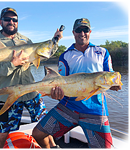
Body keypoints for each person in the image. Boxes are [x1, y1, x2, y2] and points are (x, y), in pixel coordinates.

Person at [32, 18, 122, 148]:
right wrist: (55, 93)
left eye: (85, 30)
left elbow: (110, 76)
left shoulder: (102, 52)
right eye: (79, 30)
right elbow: (61, 83)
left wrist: (115, 84)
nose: (82, 33)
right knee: (38, 134)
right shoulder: (65, 55)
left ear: (90, 31)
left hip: (96, 111)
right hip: (68, 107)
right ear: (73, 32)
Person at [0, 7, 63, 148]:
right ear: (1, 22)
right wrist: (12, 65)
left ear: (18, 22)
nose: (11, 22)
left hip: (31, 92)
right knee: (2, 133)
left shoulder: (26, 40)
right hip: (8, 95)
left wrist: (55, 40)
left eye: (14, 20)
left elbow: (42, 52)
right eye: (7, 19)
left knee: (45, 126)